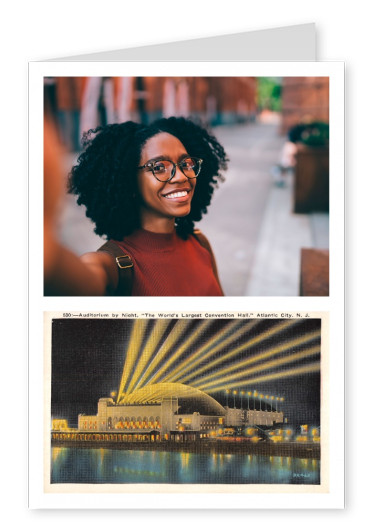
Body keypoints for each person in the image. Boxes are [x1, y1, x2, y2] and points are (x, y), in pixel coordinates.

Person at [46, 116, 228, 296]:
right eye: (159, 167)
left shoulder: (200, 243)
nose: (181, 176)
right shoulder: (112, 266)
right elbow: (71, 279)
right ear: (130, 181)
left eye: (186, 163)